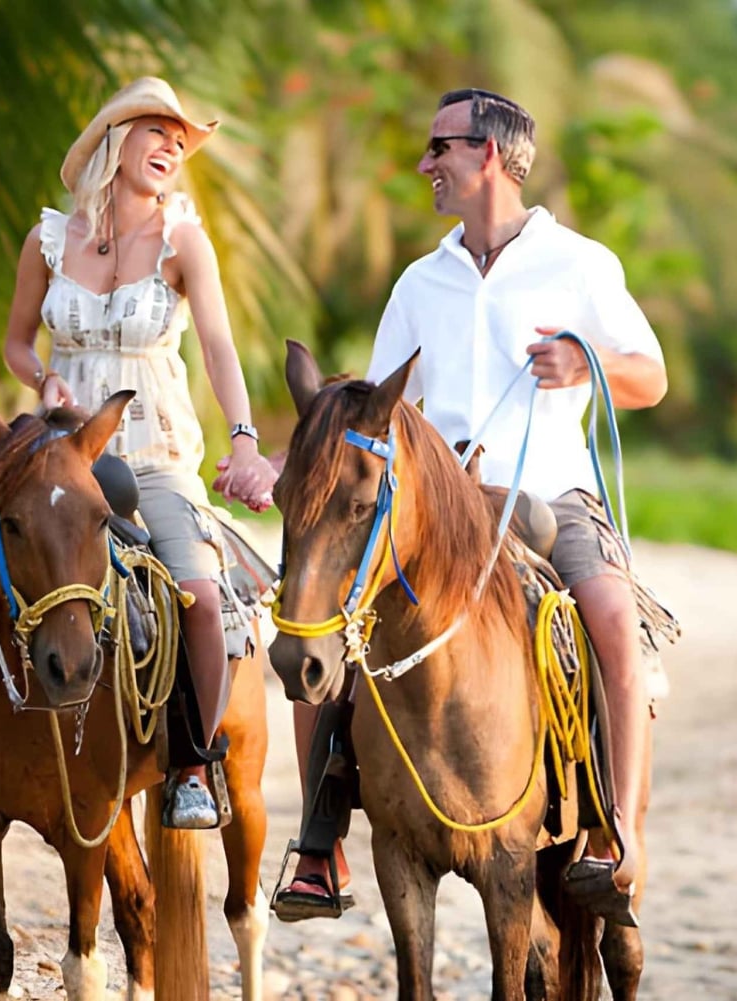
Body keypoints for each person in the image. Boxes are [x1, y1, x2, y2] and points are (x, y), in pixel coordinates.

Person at [277, 88, 667, 919]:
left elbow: (652, 376)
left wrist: (586, 363)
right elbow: (370, 411)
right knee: (324, 622)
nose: (426, 164)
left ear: (490, 153)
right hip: (439, 508)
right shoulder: (421, 281)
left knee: (612, 619)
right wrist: (286, 463)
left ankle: (617, 838)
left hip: (553, 492)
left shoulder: (580, 263)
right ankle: (318, 843)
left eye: (439, 147)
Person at [0, 77, 277, 829]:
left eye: (180, 139)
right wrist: (41, 377)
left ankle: (192, 764)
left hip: (152, 451)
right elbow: (18, 342)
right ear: (115, 139)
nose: (173, 147)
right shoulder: (48, 241)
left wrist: (243, 438)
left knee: (202, 595)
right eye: (157, 131)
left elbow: (218, 347)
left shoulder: (184, 241)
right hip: (53, 453)